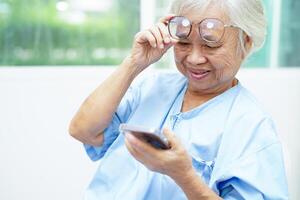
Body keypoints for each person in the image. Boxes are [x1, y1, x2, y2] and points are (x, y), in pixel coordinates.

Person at [69, 0, 289, 199]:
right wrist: (134, 63)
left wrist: (184, 176)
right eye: (183, 43)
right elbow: (83, 130)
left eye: (210, 44)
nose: (194, 58)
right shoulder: (151, 87)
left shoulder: (252, 126)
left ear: (246, 42)